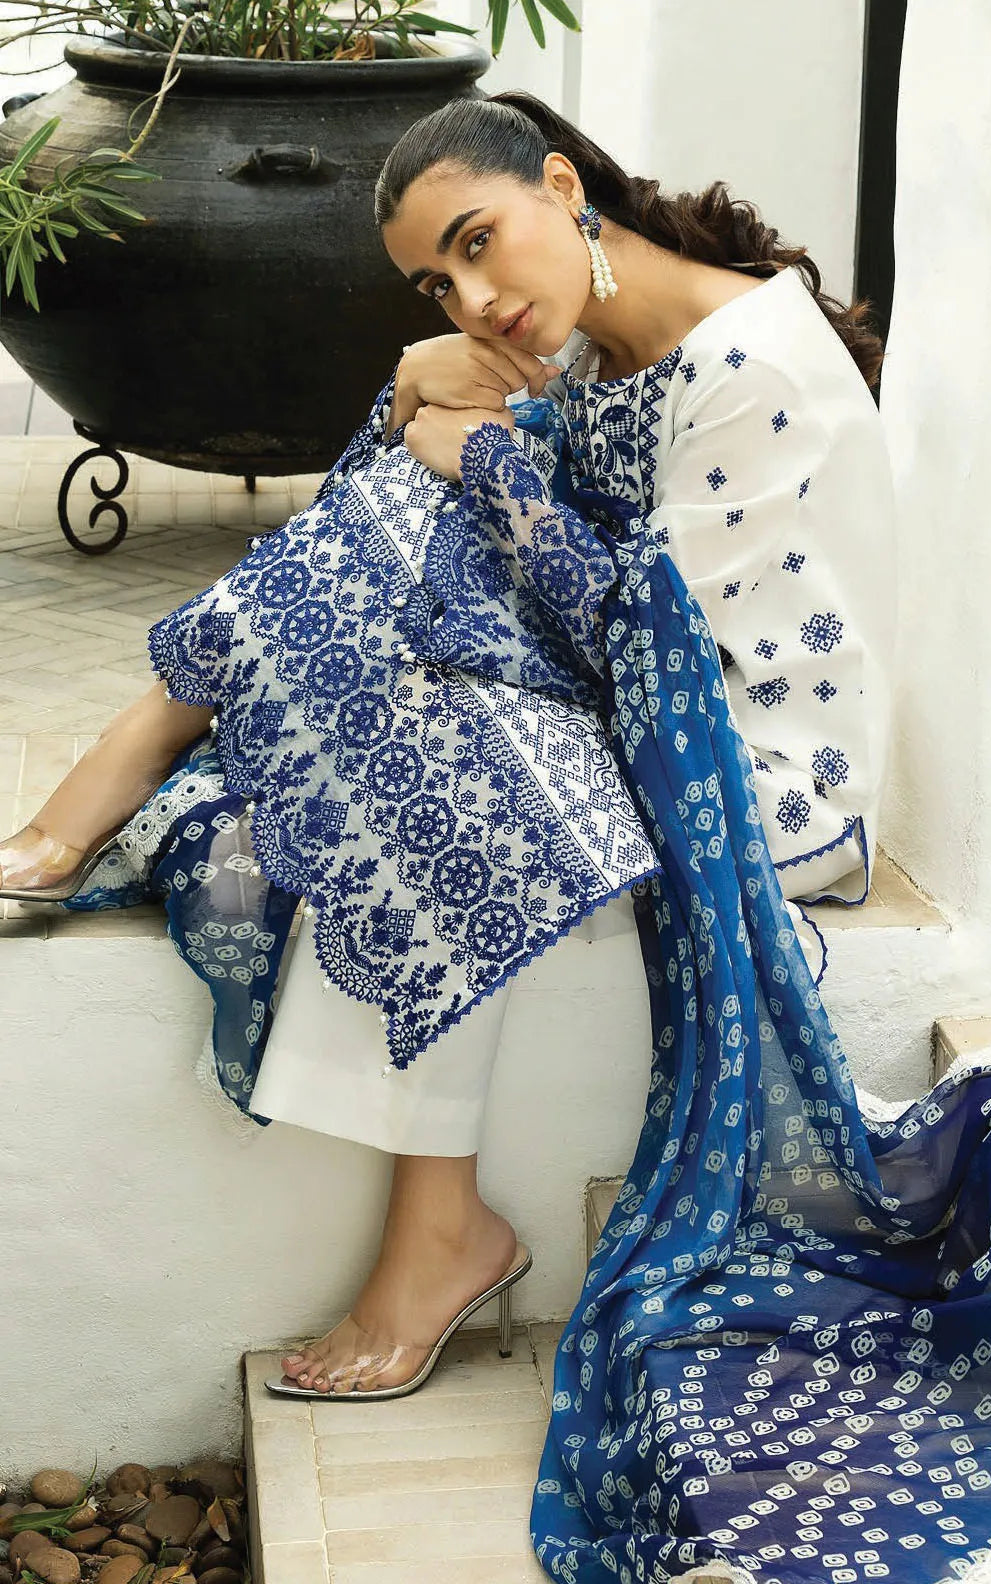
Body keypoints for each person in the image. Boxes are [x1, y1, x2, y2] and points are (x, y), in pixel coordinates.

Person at [0, 90, 895, 1399]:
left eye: (477, 243)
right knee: (398, 552)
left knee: (427, 747)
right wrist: (418, 400)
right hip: (628, 708)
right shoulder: (581, 335)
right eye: (437, 283)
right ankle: (149, 731)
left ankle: (437, 1230)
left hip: (750, 779)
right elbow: (389, 496)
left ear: (560, 185)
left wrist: (487, 466)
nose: (473, 300)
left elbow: (652, 653)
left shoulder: (750, 368)